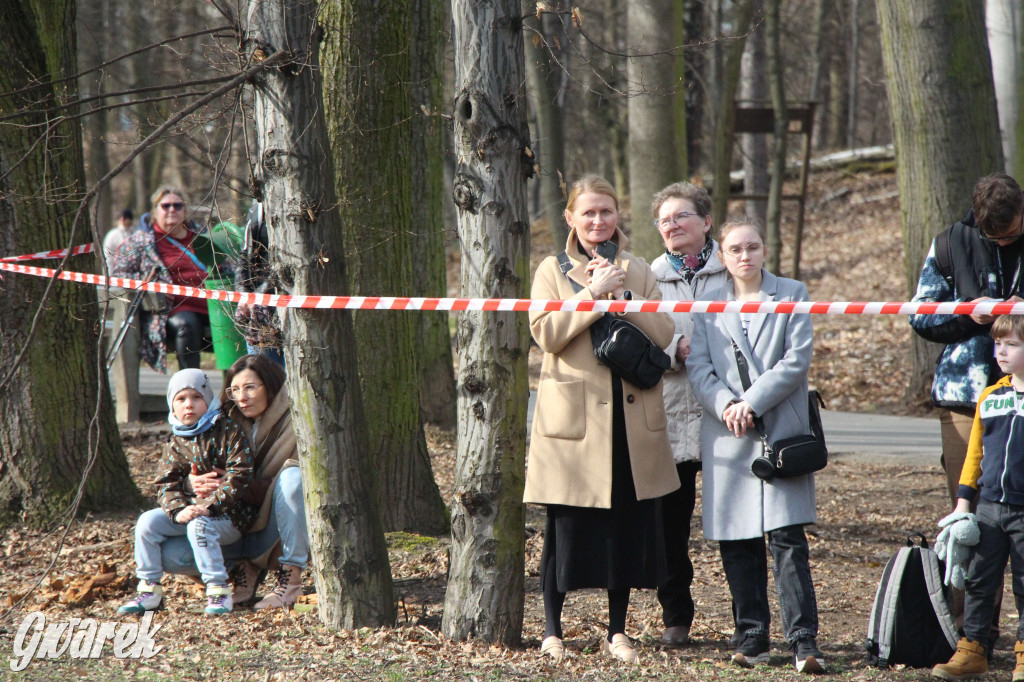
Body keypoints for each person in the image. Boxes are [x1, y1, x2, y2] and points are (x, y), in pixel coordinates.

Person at [524, 174, 679, 664]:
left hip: (630, 420)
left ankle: (618, 632)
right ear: (570, 218)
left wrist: (626, 300)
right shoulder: (551, 269)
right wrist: (591, 294)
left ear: (618, 217)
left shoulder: (638, 269)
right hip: (574, 423)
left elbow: (665, 330)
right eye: (588, 213)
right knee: (563, 529)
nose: (598, 221)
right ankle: (553, 630)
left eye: (606, 212)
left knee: (623, 529)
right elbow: (545, 334)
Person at [686, 216, 825, 673]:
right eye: (735, 249)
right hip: (728, 433)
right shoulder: (706, 303)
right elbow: (700, 369)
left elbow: (796, 360)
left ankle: (804, 640)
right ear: (721, 256)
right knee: (738, 540)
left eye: (752, 246)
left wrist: (752, 401)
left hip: (780, 428)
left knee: (788, 540)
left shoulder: (792, 293)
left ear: (765, 249)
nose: (745, 256)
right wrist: (729, 405)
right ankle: (752, 636)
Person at [909, 172, 1021, 644]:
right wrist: (966, 312)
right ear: (976, 221)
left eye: (1012, 232)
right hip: (965, 394)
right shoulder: (950, 243)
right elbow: (920, 314)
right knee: (971, 518)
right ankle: (973, 637)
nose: (1002, 239)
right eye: (994, 235)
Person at [158, 354, 307, 610]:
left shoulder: (298, 419)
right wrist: (191, 484)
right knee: (170, 555)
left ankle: (289, 579)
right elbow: (175, 470)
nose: (241, 397)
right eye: (234, 389)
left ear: (270, 385)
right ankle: (238, 571)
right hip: (227, 520)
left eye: (250, 387)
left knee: (294, 477)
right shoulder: (220, 421)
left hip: (275, 525)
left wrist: (236, 484)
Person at [649, 182, 729, 647]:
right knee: (669, 528)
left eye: (681, 216)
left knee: (739, 525)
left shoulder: (735, 267)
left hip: (726, 417)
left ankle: (749, 621)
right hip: (670, 416)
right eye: (665, 220)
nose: (673, 225)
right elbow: (633, 334)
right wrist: (672, 349)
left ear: (706, 221)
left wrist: (710, 354)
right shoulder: (647, 275)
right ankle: (676, 618)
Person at [930, 315, 1024, 681]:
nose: (1001, 351)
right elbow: (974, 455)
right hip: (987, 509)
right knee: (980, 581)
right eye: (998, 343)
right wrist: (963, 503)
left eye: (1012, 344)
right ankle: (973, 650)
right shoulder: (990, 397)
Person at [117, 369, 253, 616]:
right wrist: (178, 509)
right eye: (180, 399)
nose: (189, 404)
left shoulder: (228, 430)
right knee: (147, 522)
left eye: (196, 397)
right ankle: (150, 590)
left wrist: (211, 505)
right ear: (172, 404)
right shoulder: (176, 440)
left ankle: (218, 591)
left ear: (208, 399)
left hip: (229, 515)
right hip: (192, 509)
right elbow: (166, 482)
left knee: (198, 526)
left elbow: (241, 473)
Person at [111, 187, 211, 373]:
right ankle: (189, 388)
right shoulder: (141, 242)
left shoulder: (204, 237)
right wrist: (151, 283)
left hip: (214, 307)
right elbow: (119, 278)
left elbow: (229, 267)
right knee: (187, 325)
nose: (172, 210)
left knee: (242, 324)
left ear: (185, 210)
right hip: (172, 310)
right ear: (155, 211)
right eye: (165, 206)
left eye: (177, 205)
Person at [234, 200, 284, 367]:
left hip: (293, 304)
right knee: (261, 378)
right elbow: (244, 256)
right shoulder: (259, 204)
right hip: (261, 313)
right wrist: (244, 293)